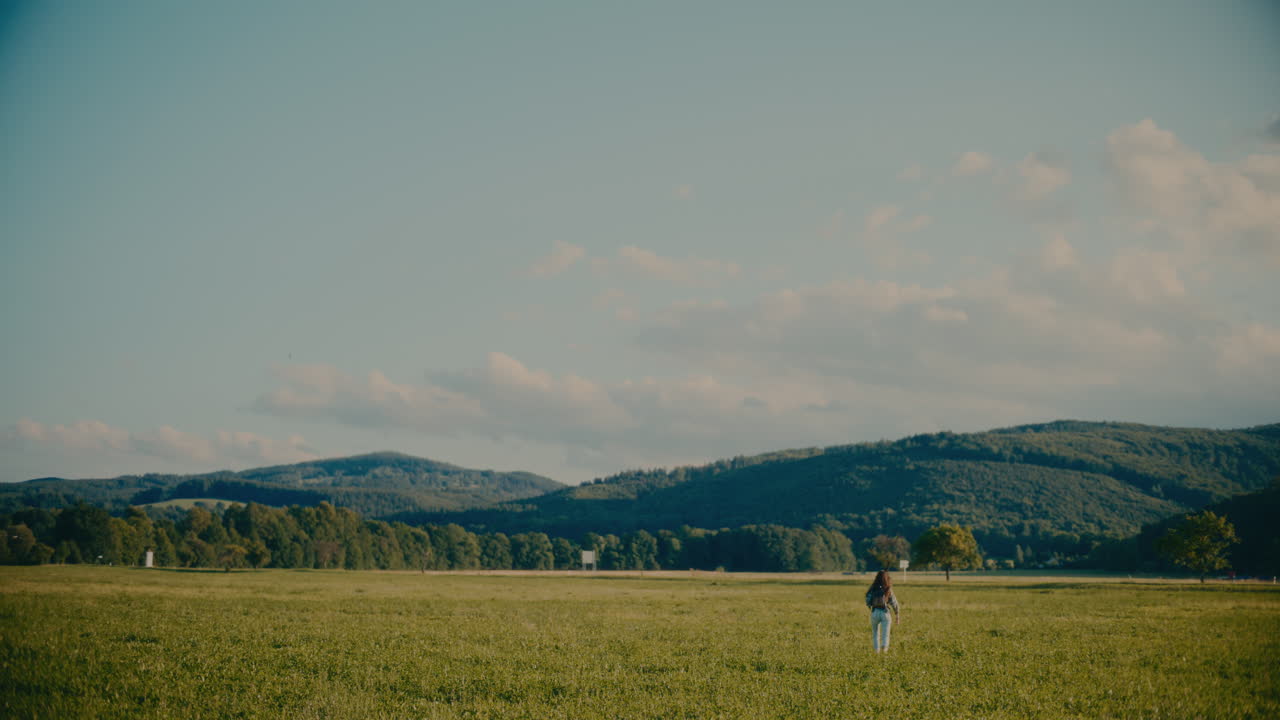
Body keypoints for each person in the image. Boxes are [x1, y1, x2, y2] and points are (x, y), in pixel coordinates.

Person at [864, 569, 900, 653]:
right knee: (886, 634)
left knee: (875, 633)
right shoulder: (888, 589)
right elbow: (894, 602)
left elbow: (867, 600)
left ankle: (876, 651)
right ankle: (884, 649)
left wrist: (870, 606)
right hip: (885, 612)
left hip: (875, 612)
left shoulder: (873, 588)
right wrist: (897, 614)